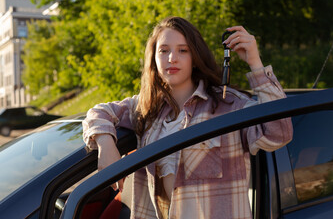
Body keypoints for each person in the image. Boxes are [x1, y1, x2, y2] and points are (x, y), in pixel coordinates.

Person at [82, 16, 293, 219]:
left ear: (195, 58)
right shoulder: (146, 108)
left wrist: (255, 63)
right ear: (154, 59)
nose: (172, 58)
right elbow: (98, 113)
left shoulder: (228, 105)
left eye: (183, 50)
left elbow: (279, 133)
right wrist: (105, 144)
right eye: (163, 51)